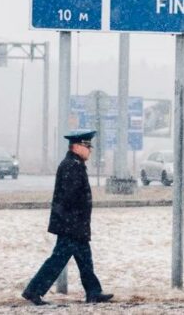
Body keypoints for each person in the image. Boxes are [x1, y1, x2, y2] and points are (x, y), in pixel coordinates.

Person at [22, 129, 113, 306]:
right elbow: (69, 198)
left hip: (73, 224)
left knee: (85, 259)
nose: (90, 150)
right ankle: (33, 290)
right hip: (71, 225)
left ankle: (93, 292)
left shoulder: (74, 164)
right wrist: (75, 224)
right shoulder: (72, 166)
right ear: (77, 147)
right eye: (87, 146)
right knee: (58, 259)